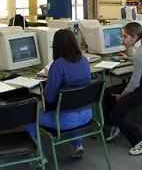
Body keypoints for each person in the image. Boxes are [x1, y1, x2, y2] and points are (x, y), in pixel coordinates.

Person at [25, 29, 92, 162]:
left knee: (29, 117)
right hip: (87, 114)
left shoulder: (58, 65)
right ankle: (77, 145)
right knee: (73, 103)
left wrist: (51, 77)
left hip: (65, 121)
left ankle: (39, 157)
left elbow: (49, 97)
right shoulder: (84, 60)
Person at [103, 22, 142, 155]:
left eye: (124, 36)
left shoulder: (140, 52)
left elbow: (134, 83)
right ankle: (116, 126)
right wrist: (129, 58)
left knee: (115, 113)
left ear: (134, 38)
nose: (121, 39)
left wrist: (122, 96)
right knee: (108, 93)